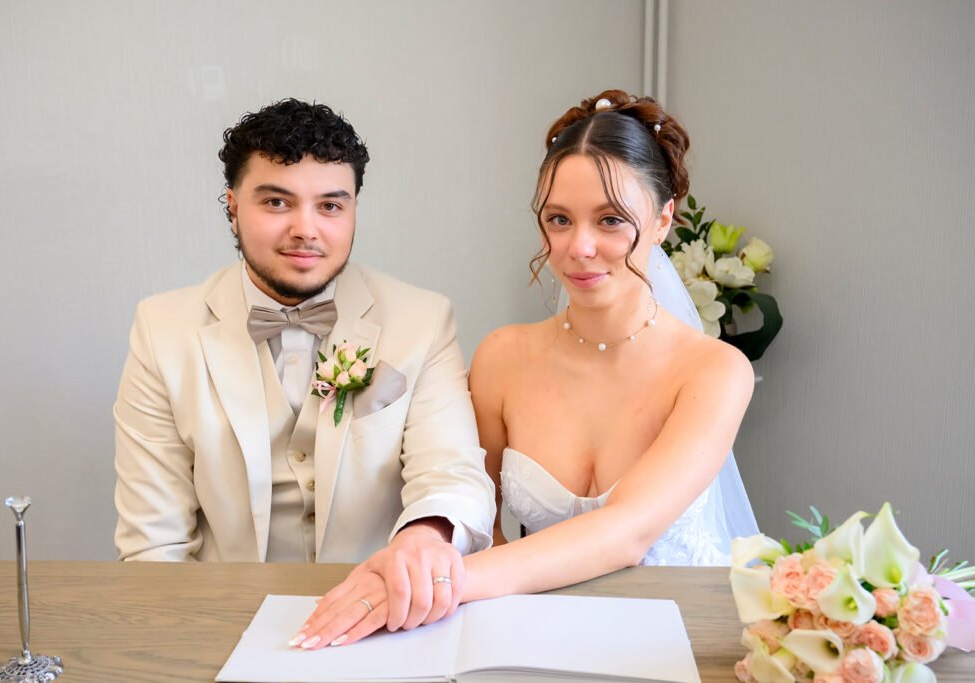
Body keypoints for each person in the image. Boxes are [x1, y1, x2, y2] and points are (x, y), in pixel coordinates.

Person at [293, 89, 757, 649]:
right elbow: (474, 512)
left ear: (662, 222)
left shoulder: (715, 370)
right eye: (559, 219)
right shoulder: (503, 356)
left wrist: (436, 581)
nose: (577, 247)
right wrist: (418, 560)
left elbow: (630, 531)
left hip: (678, 635)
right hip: (530, 631)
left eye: (610, 220)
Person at [113, 98, 496, 603]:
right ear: (232, 207)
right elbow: (154, 541)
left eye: (330, 205)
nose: (306, 229)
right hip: (222, 612)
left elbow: (451, 472)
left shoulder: (423, 320)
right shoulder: (162, 330)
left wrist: (423, 539)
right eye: (276, 202)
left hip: (381, 607)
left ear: (354, 208)